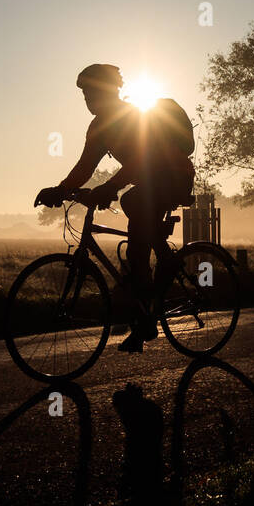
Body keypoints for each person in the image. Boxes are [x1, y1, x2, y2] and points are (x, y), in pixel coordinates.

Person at [35, 64, 195, 348]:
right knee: (135, 210)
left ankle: (147, 318)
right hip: (150, 184)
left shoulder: (131, 117)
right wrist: (59, 190)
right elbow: (85, 166)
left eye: (91, 92)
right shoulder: (99, 128)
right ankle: (154, 282)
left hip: (173, 177)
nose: (87, 99)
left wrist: (109, 187)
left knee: (133, 216)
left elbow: (141, 160)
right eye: (84, 94)